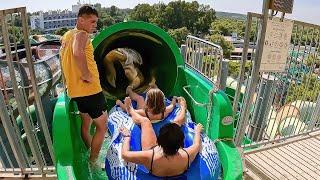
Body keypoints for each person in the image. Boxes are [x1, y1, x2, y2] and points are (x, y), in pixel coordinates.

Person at [60, 5, 107, 162]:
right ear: (80, 20)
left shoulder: (67, 35)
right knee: (102, 127)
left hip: (76, 92)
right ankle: (93, 161)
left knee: (86, 124)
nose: (95, 25)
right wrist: (86, 74)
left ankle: (89, 151)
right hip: (91, 91)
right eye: (92, 21)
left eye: (96, 22)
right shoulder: (82, 34)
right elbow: (77, 52)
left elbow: (66, 60)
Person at [120, 103, 203, 177]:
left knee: (145, 121)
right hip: (177, 163)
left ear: (158, 141)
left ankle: (130, 110)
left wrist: (127, 136)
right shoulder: (187, 155)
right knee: (175, 125)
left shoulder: (149, 156)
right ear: (181, 143)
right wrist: (197, 131)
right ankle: (183, 107)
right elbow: (197, 144)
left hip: (154, 158)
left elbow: (125, 155)